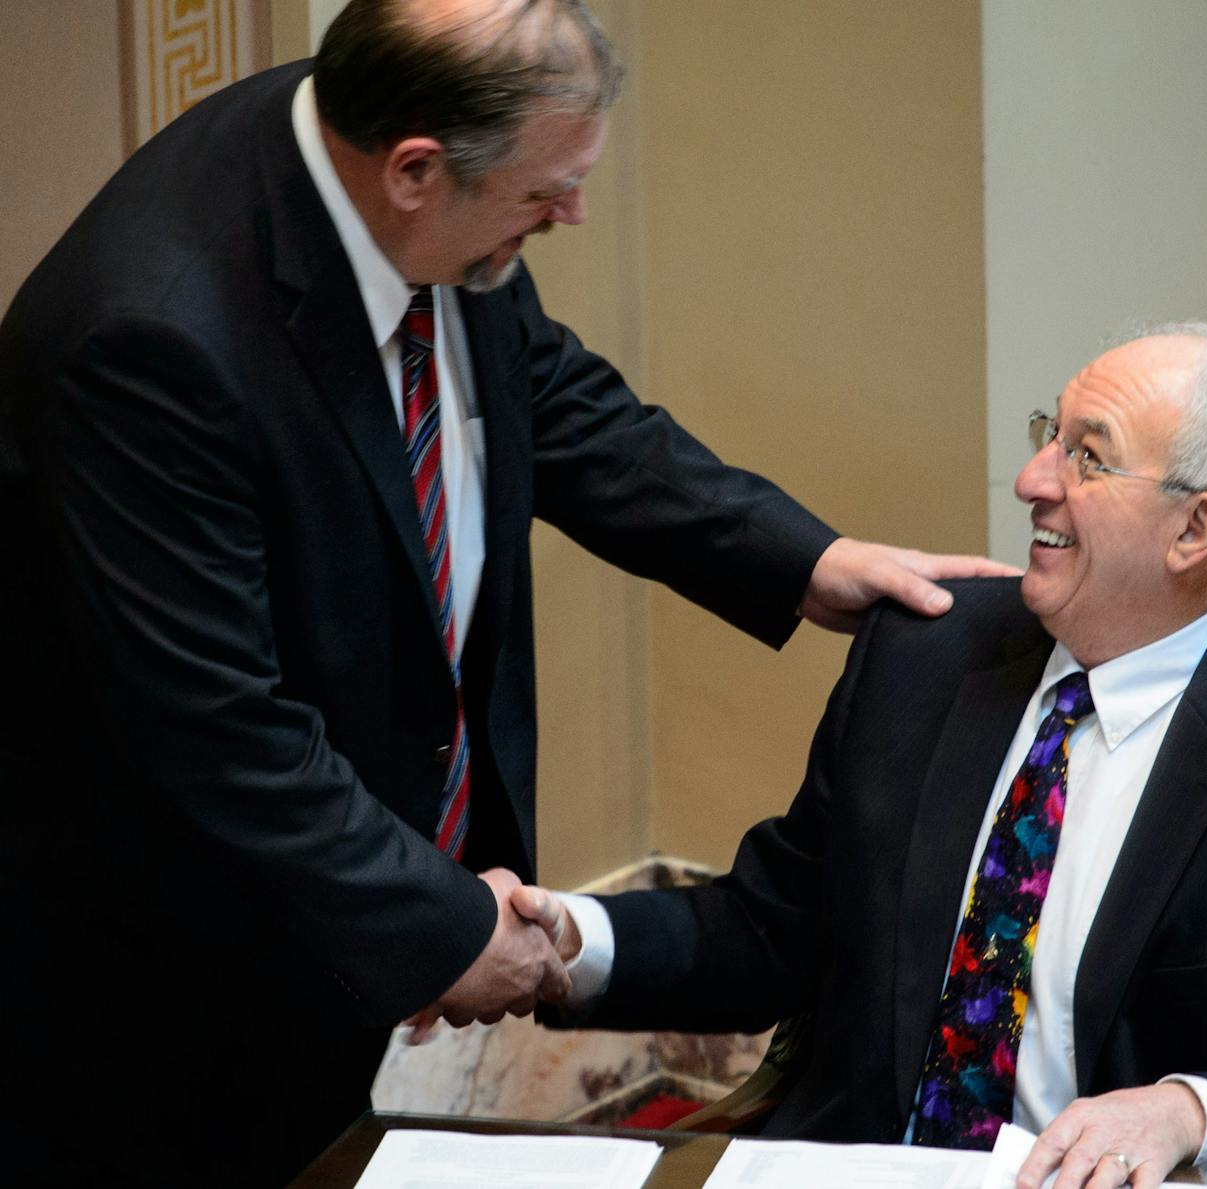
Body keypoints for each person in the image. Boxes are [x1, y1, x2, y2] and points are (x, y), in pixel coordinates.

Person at [0, 1, 1011, 1184]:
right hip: (156, 954)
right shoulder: (152, 341)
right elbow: (221, 736)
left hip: (312, 917)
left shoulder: (381, 153)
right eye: (545, 194)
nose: (573, 214)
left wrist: (801, 559)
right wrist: (446, 925)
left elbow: (550, 397)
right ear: (416, 171)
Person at [518, 324, 1207, 1184]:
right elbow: (771, 931)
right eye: (1049, 434)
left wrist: (1188, 1110)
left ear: (1194, 531)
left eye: (1088, 455)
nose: (1033, 478)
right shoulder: (923, 655)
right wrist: (567, 935)